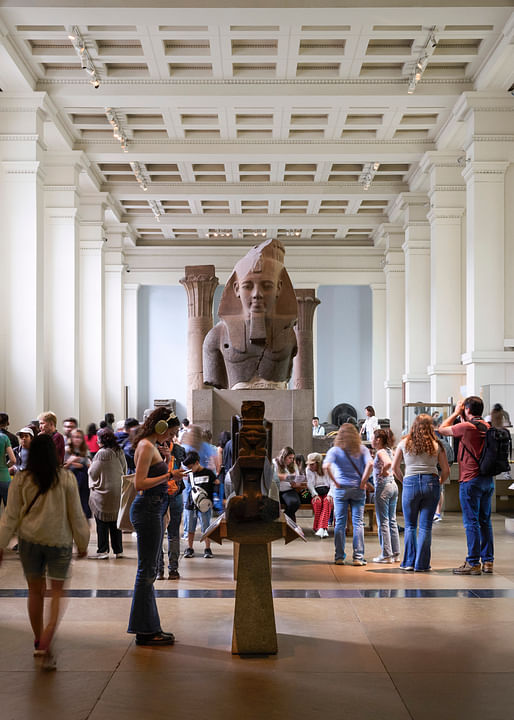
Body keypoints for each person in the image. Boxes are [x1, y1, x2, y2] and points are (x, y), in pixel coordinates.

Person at [0, 434, 90, 670]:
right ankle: (49, 634)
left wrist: (1, 544)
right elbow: (76, 514)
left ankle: (39, 639)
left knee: (35, 592)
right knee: (57, 592)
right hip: (58, 542)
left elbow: (10, 515)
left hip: (29, 541)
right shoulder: (66, 478)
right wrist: (82, 541)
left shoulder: (21, 479)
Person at [203, 237, 297, 389]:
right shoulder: (216, 336)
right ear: (236, 288)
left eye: (267, 286)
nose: (256, 294)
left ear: (279, 288)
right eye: (248, 286)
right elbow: (215, 384)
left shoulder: (289, 335)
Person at [127, 408, 184, 646]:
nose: (171, 437)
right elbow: (139, 483)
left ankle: (149, 627)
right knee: (146, 572)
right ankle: (145, 629)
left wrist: (166, 463)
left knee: (148, 571)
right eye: (170, 432)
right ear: (160, 427)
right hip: (148, 508)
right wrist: (170, 475)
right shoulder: (146, 446)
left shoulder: (152, 446)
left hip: (154, 507)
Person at [438, 397, 495, 575]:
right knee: (485, 521)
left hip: (470, 480)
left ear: (467, 409)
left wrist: (455, 413)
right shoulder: (487, 427)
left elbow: (441, 430)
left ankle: (472, 562)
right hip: (487, 479)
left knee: (471, 522)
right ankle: (488, 561)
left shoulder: (465, 427)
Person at [392, 414, 449, 572]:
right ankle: (422, 564)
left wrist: (404, 480)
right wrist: (439, 482)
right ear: (431, 426)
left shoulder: (404, 443)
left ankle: (409, 562)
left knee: (410, 526)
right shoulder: (437, 444)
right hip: (431, 483)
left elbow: (395, 467)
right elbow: (446, 470)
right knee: (425, 527)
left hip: (410, 483)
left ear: (414, 425)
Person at [324, 424, 373, 566]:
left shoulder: (335, 450)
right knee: (358, 522)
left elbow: (325, 466)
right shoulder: (362, 449)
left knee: (339, 523)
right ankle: (358, 557)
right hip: (358, 489)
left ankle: (339, 556)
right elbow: (370, 464)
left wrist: (335, 482)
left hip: (341, 489)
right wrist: (363, 481)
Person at [88, 428, 127, 559]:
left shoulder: (101, 453)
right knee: (116, 522)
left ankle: (103, 550)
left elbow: (93, 472)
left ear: (101, 440)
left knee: (102, 522)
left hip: (104, 492)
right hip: (118, 491)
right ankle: (118, 550)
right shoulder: (119, 451)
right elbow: (125, 469)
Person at [157, 427, 185, 580]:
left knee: (166, 533)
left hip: (172, 493)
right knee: (165, 534)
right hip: (165, 493)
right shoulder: (154, 449)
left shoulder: (178, 450)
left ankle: (168, 569)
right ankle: (164, 569)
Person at [371, 429, 400, 563]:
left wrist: (383, 471)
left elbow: (388, 463)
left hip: (383, 488)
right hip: (393, 486)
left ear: (378, 440)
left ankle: (386, 554)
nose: (372, 440)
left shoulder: (381, 452)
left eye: (373, 438)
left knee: (383, 521)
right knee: (392, 520)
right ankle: (395, 553)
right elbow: (394, 466)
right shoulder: (390, 450)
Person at [183, 450, 216, 559]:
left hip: (205, 505)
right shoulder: (190, 475)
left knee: (206, 528)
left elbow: (216, 485)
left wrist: (215, 501)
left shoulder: (209, 473)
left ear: (197, 462)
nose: (190, 469)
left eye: (191, 466)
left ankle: (207, 548)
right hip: (191, 504)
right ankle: (190, 548)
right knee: (190, 528)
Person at [64, 429, 91, 520]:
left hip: (83, 481)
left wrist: (79, 463)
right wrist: (72, 462)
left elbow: (89, 465)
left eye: (79, 437)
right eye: (75, 437)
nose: (77, 439)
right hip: (70, 479)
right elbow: (64, 466)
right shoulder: (66, 450)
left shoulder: (85, 450)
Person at [306, 452, 332, 537]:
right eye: (309, 464)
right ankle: (322, 528)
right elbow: (310, 484)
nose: (310, 466)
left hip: (327, 490)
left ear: (318, 463)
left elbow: (332, 483)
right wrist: (314, 495)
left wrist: (330, 495)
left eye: (312, 464)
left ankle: (320, 528)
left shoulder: (327, 468)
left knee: (327, 502)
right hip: (316, 491)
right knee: (317, 503)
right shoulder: (308, 470)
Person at [273, 446, 301, 522]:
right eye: (289, 458)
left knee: (294, 503)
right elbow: (273, 476)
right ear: (283, 456)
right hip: (275, 490)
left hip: (288, 489)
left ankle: (284, 519)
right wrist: (285, 477)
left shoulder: (293, 465)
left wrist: (296, 484)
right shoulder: (274, 463)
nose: (291, 460)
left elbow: (298, 480)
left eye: (292, 458)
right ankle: (288, 523)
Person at [0, 427, 16, 508]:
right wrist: (6, 466)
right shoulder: (3, 437)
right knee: (9, 509)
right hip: (4, 478)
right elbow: (13, 460)